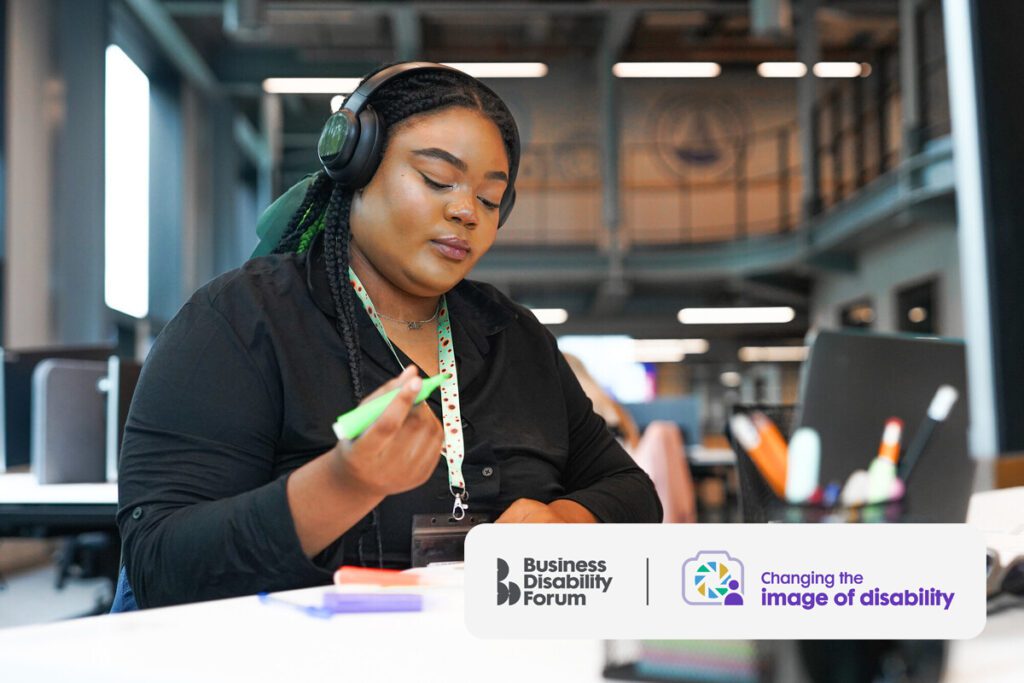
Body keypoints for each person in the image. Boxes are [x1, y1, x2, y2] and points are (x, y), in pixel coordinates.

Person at [113, 62, 661, 610]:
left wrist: (563, 519)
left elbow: (633, 493)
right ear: (357, 167)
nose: (465, 210)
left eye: (491, 200)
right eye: (436, 180)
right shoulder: (239, 321)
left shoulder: (515, 338)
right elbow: (162, 564)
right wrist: (342, 484)